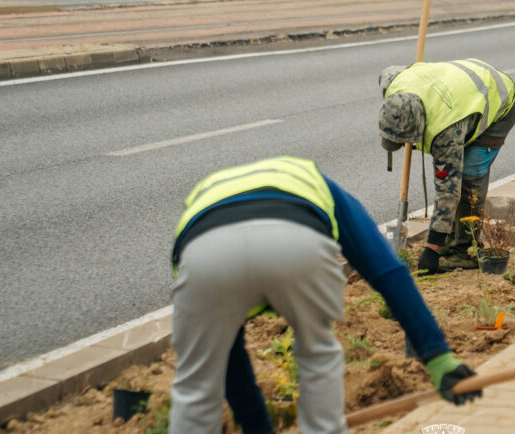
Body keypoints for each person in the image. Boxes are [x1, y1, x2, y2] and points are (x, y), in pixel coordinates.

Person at [169, 156, 481, 434]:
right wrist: (437, 357)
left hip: (204, 255)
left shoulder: (205, 194)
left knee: (196, 387)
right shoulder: (317, 184)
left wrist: (256, 427)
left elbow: (228, 362)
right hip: (296, 239)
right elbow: (387, 271)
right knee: (318, 358)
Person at [379, 60, 515, 273]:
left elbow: (447, 192)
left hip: (499, 100)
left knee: (468, 178)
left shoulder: (445, 130)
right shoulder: (395, 82)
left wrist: (432, 250)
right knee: (456, 176)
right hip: (462, 85)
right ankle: (449, 239)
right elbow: (388, 72)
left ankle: (466, 250)